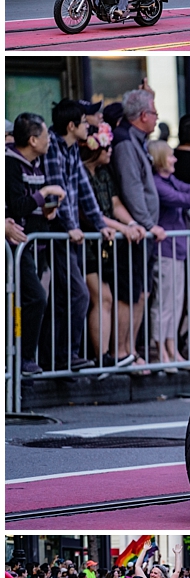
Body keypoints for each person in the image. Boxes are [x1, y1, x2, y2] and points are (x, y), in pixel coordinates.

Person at [42, 100, 115, 371]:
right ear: (71, 126)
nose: (89, 127)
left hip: (69, 233)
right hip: (56, 231)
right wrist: (70, 226)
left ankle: (60, 356)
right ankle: (63, 355)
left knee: (65, 295)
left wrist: (98, 224)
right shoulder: (52, 147)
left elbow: (84, 191)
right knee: (77, 294)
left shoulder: (71, 148)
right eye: (85, 122)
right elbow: (56, 193)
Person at [5, 113, 67, 375]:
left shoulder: (36, 163)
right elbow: (17, 204)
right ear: (32, 140)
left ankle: (24, 363)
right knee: (35, 298)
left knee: (36, 298)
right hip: (18, 245)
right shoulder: (10, 165)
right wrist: (43, 195)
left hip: (35, 243)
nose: (49, 139)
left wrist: (49, 207)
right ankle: (22, 358)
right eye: (45, 135)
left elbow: (34, 204)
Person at [80, 122, 144, 367]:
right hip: (87, 243)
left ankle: (106, 357)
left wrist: (132, 224)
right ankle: (101, 357)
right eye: (106, 147)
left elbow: (115, 205)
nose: (110, 151)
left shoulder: (105, 173)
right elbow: (90, 213)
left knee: (106, 297)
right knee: (102, 297)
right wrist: (124, 228)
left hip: (105, 245)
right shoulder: (81, 172)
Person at [110, 88, 165, 366]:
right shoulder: (124, 142)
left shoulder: (135, 139)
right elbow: (132, 188)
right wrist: (147, 223)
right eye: (154, 113)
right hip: (136, 233)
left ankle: (131, 350)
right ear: (143, 115)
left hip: (143, 232)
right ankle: (122, 352)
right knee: (130, 294)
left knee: (140, 293)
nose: (157, 118)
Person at [148, 140, 190, 369]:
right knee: (164, 303)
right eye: (170, 156)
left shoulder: (169, 181)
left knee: (175, 303)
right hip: (165, 250)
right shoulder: (157, 184)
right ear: (159, 159)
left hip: (177, 249)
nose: (175, 159)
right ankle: (160, 351)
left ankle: (172, 348)